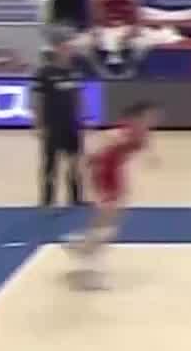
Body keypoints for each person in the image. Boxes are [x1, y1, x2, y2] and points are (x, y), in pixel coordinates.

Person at [67, 101, 157, 286]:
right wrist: (86, 163)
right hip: (104, 173)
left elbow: (140, 150)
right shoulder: (123, 132)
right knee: (108, 220)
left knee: (110, 219)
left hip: (115, 174)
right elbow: (100, 148)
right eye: (149, 116)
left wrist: (151, 158)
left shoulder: (142, 135)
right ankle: (89, 263)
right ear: (137, 118)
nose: (153, 120)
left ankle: (83, 244)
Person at [33, 35, 85, 207]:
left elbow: (78, 98)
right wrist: (39, 125)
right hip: (52, 126)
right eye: (65, 48)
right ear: (57, 50)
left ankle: (76, 199)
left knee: (74, 163)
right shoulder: (44, 73)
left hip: (71, 126)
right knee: (50, 164)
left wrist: (81, 120)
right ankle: (47, 200)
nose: (69, 52)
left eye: (70, 49)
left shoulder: (75, 72)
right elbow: (38, 100)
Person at [85, 0, 145, 78]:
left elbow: (138, 21)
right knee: (84, 46)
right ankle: (103, 73)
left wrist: (131, 33)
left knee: (142, 45)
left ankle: (129, 72)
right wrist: (96, 33)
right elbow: (93, 20)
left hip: (126, 28)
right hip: (104, 28)